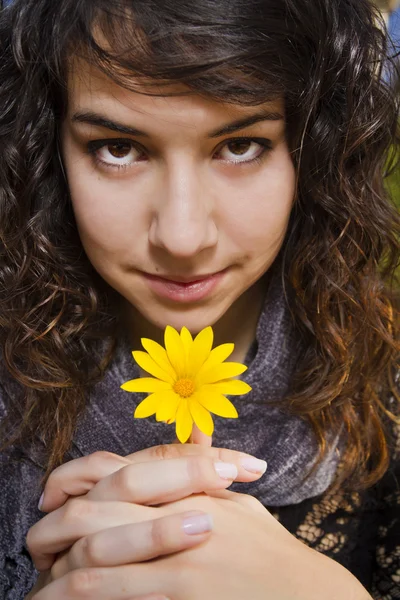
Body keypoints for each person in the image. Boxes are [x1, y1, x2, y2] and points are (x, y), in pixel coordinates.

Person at [0, 0, 399, 598]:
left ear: (315, 149)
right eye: (119, 148)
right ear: (48, 153)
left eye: (240, 145)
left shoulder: (387, 378)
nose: (183, 238)